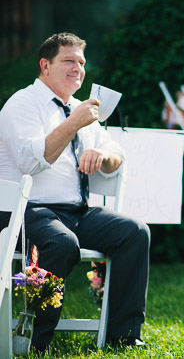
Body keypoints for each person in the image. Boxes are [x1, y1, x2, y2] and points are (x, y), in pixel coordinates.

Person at [0, 32, 150, 353]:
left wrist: (103, 156)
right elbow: (30, 159)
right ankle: (34, 340)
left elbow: (116, 157)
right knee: (62, 243)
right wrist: (75, 123)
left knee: (134, 233)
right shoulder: (23, 103)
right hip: (29, 212)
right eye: (68, 61)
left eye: (81, 63)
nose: (77, 69)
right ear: (45, 65)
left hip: (76, 212)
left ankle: (122, 335)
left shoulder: (79, 109)